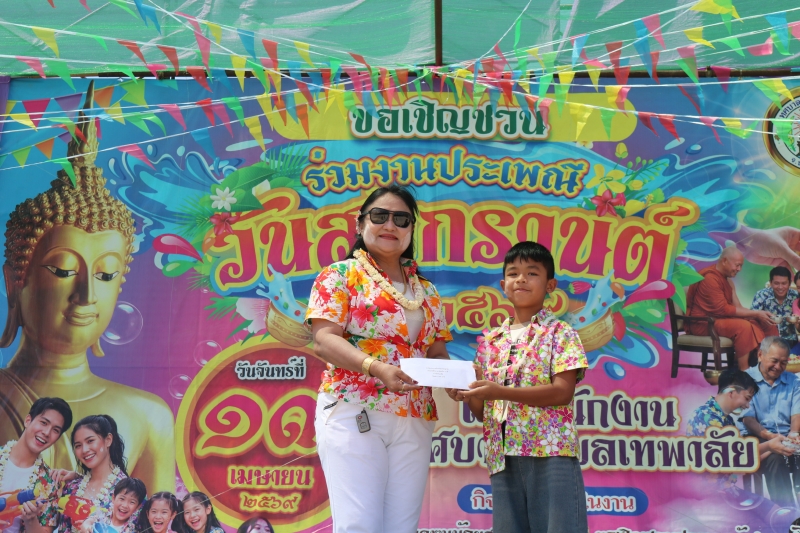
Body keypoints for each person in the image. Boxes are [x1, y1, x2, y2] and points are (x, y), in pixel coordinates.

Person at [0, 81, 175, 493]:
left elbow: (157, 517)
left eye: (106, 275)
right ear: (15, 281)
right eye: (63, 270)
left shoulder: (148, 415)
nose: (87, 296)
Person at [307, 185, 452, 533]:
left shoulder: (427, 291)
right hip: (355, 408)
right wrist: (375, 367)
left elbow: (436, 351)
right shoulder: (339, 275)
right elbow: (324, 340)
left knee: (401, 528)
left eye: (401, 219)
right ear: (360, 224)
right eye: (380, 216)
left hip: (414, 416)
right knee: (359, 525)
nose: (390, 225)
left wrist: (457, 381)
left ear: (411, 230)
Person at [446, 241, 589, 533]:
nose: (521, 279)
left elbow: (562, 392)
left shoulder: (560, 333)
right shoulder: (490, 342)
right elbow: (485, 412)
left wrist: (499, 391)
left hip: (551, 452)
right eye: (513, 273)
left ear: (550, 285)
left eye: (532, 273)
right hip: (503, 456)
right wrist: (467, 394)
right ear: (503, 285)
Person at [686, 246, 779, 369]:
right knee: (744, 327)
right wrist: (756, 313)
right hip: (704, 324)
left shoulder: (728, 281)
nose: (739, 269)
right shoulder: (709, 279)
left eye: (741, 266)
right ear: (725, 261)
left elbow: (737, 306)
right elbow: (724, 310)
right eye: (737, 265)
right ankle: (743, 370)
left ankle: (764, 363)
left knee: (767, 323)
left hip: (721, 321)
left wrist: (760, 315)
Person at [740, 337, 800, 507]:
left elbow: (796, 413)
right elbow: (748, 418)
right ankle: (786, 510)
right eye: (774, 361)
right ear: (760, 355)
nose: (778, 367)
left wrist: (794, 434)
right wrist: (770, 437)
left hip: (787, 435)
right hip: (757, 436)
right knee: (776, 459)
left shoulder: (793, 381)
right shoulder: (744, 380)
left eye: (783, 362)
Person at [0, 398, 73, 533]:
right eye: (44, 423)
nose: (46, 432)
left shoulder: (50, 483)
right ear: (28, 420)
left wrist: (31, 520)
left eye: (55, 430)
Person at [58, 416, 129, 533]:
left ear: (108, 440)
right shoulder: (72, 487)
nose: (84, 450)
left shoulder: (130, 491)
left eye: (90, 441)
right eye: (78, 445)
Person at [751, 266, 798, 346]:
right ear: (771, 283)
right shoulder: (761, 295)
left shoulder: (795, 296)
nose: (780, 287)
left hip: (790, 341)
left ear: (790, 283)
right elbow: (752, 317)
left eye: (784, 283)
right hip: (767, 341)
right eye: (776, 283)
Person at [79, 478, 146, 533]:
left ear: (138, 507)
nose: (125, 505)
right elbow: (89, 521)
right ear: (113, 498)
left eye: (132, 502)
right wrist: (86, 525)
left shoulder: (133, 530)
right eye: (122, 499)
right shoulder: (102, 516)